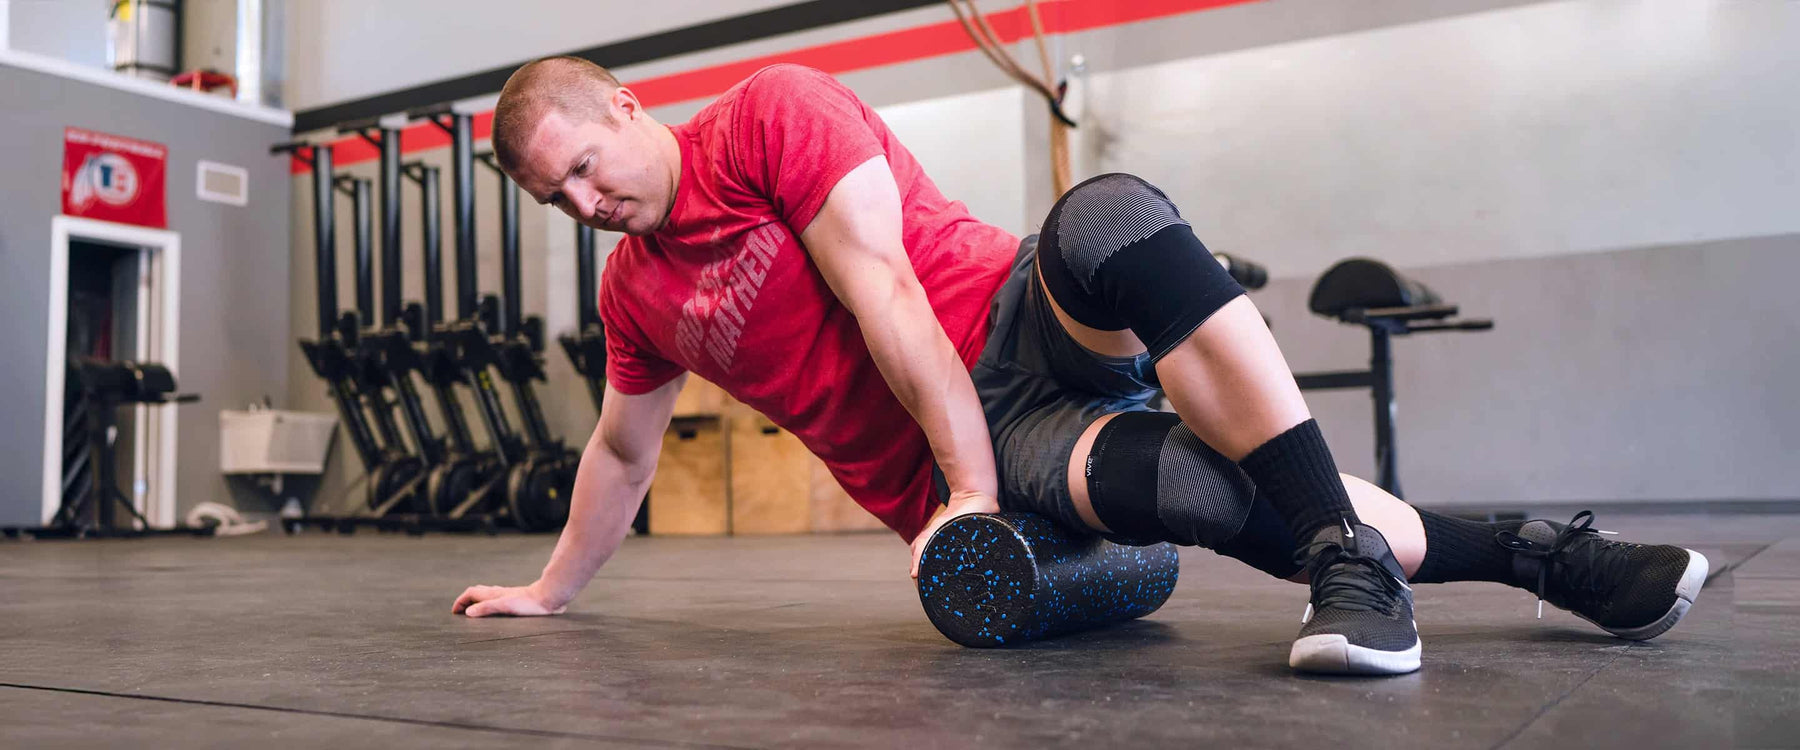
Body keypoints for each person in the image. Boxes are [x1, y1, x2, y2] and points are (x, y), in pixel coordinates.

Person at [451, 57, 1707, 676]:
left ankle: (1346, 565)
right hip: (1006, 463)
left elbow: (887, 293)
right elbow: (622, 450)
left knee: (1105, 216)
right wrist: (551, 592)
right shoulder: (639, 294)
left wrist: (970, 485)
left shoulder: (769, 116)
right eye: (550, 194)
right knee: (1214, 498)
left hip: (1009, 326)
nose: (580, 200)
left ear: (623, 103)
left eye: (580, 165)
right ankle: (1553, 558)